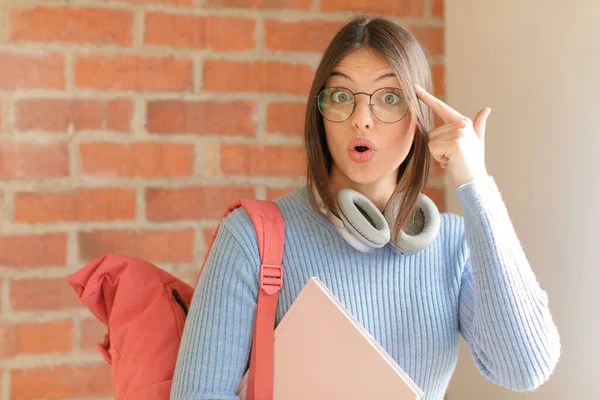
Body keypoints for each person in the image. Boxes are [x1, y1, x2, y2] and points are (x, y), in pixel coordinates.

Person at [170, 14, 560, 400]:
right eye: (341, 96)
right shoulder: (250, 237)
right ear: (319, 113)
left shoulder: (454, 246)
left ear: (419, 116)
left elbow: (525, 368)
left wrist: (476, 186)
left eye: (389, 98)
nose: (361, 120)